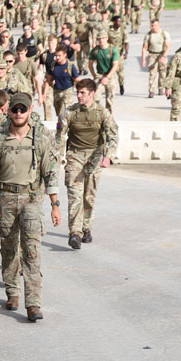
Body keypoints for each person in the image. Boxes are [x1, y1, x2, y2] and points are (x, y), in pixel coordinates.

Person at [0, 93, 61, 322]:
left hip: (31, 199)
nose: (18, 114)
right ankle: (12, 291)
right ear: (9, 111)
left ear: (29, 111)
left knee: (32, 251)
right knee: (8, 248)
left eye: (22, 110)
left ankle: (33, 303)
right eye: (15, 110)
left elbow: (51, 171)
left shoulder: (40, 137)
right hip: (5, 198)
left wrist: (55, 205)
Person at [57, 79, 117, 250]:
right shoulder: (69, 112)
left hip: (95, 157)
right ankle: (75, 233)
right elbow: (60, 137)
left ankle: (86, 227)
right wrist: (58, 158)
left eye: (83, 93)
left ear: (92, 94)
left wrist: (108, 156)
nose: (79, 96)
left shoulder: (102, 113)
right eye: (78, 92)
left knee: (88, 196)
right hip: (75, 155)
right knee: (75, 194)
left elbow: (113, 136)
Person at [88, 33, 121, 112]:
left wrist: (107, 77)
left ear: (107, 38)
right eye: (99, 38)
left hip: (110, 75)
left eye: (103, 38)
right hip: (99, 75)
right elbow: (90, 65)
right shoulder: (95, 50)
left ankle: (108, 116)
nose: (101, 40)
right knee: (95, 97)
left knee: (110, 99)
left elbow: (115, 65)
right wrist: (94, 76)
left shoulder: (113, 49)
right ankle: (95, 116)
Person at [44, 45, 79, 118]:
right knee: (59, 115)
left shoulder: (70, 66)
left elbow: (77, 79)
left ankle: (64, 128)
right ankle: (59, 127)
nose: (57, 57)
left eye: (59, 55)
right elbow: (48, 81)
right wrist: (44, 94)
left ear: (65, 55)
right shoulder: (53, 65)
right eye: (56, 55)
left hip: (68, 91)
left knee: (64, 114)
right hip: (57, 92)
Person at [141, 19, 171, 98]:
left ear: (159, 25)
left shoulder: (164, 34)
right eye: (152, 25)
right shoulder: (148, 35)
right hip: (152, 55)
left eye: (155, 25)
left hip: (162, 54)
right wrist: (143, 60)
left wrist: (164, 56)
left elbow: (168, 47)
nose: (153, 27)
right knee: (152, 74)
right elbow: (144, 48)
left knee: (163, 73)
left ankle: (161, 88)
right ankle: (151, 91)